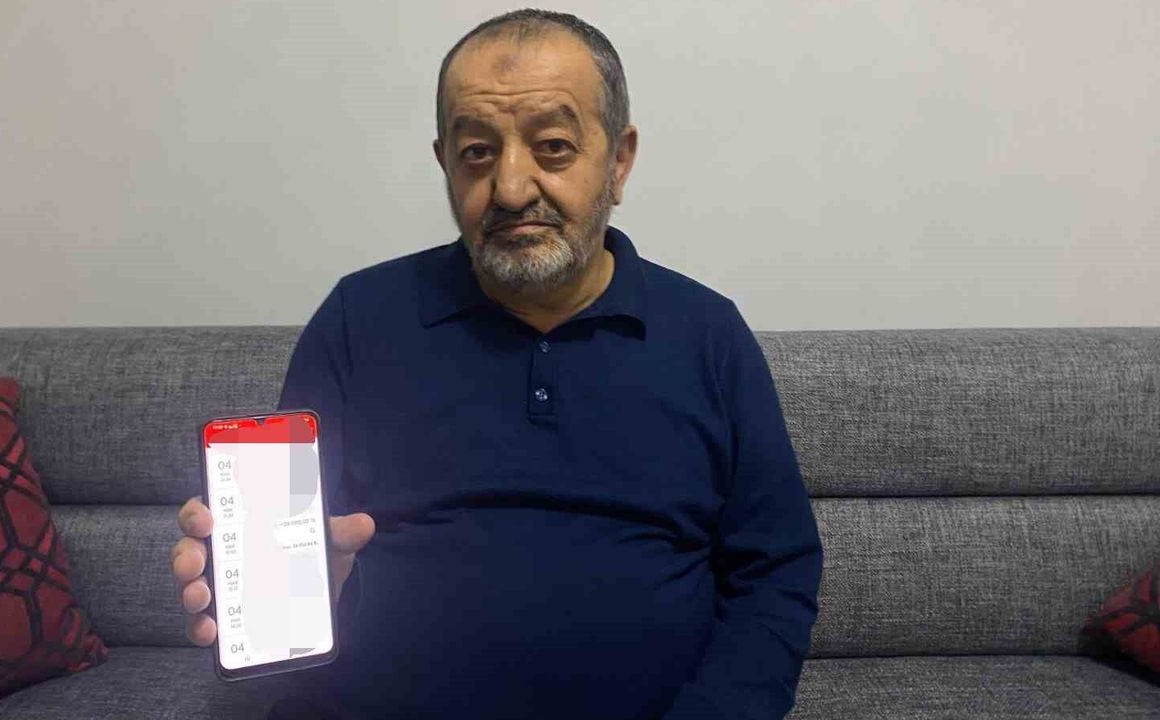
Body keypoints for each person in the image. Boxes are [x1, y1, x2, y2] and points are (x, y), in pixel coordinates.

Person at [171, 9, 822, 719]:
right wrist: (301, 593)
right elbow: (302, 557)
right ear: (445, 164)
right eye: (477, 152)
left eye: (553, 146)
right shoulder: (358, 317)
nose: (511, 188)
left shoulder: (707, 334)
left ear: (619, 160)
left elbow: (775, 571)